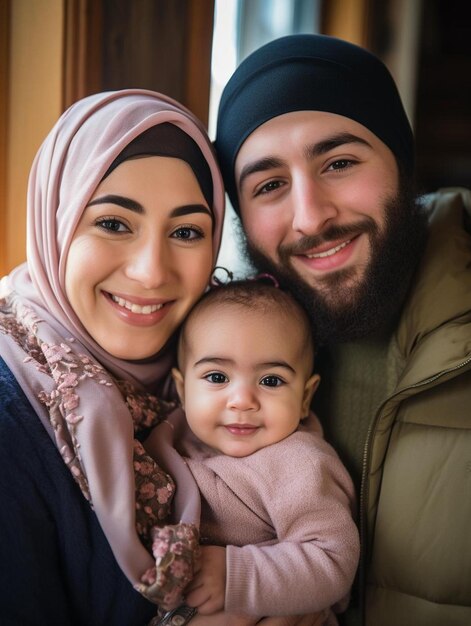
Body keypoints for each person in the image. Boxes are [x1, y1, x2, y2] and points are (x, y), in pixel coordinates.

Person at [215, 34, 471, 626]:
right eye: (269, 185)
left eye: (339, 163)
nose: (311, 217)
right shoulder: (220, 352)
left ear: (402, 165)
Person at [0, 88, 226, 626]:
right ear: (56, 223)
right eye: (114, 223)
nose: (151, 270)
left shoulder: (218, 379)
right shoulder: (9, 415)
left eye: (187, 231)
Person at [168, 279, 359, 626]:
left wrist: (234, 575)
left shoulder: (298, 462)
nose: (242, 400)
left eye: (271, 381)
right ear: (182, 390)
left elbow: (334, 558)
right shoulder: (170, 439)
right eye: (216, 376)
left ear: (305, 397)